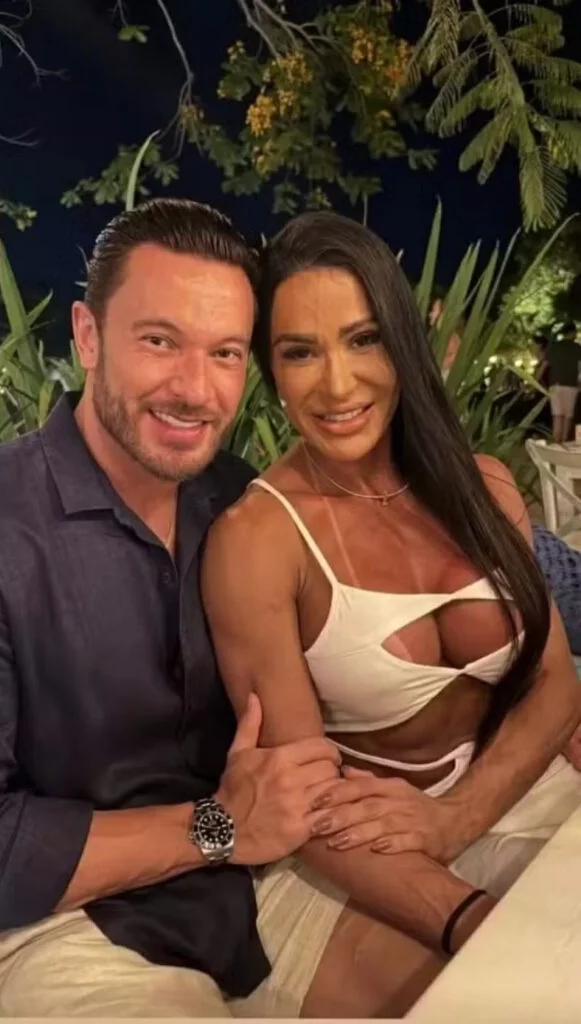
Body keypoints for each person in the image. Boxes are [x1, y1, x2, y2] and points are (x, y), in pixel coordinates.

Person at [0, 199, 495, 1020]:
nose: (195, 390)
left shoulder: (236, 501)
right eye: (159, 341)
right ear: (88, 336)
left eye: (225, 353)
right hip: (51, 925)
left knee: (499, 989)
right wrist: (214, 827)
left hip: (251, 882)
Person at [202, 211, 581, 1016]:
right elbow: (297, 794)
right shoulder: (257, 539)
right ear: (271, 371)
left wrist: (456, 820)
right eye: (300, 352)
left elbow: (554, 685)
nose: (337, 385)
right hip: (356, 853)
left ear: (402, 343)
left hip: (505, 794)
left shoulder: (484, 487)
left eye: (363, 339)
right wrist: (469, 912)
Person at [546, 322, 580, 443]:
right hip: (570, 385)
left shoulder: (554, 347)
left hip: (555, 384)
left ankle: (556, 440)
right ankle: (564, 440)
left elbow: (545, 364)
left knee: (557, 415)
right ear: (572, 333)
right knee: (567, 415)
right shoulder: (577, 348)